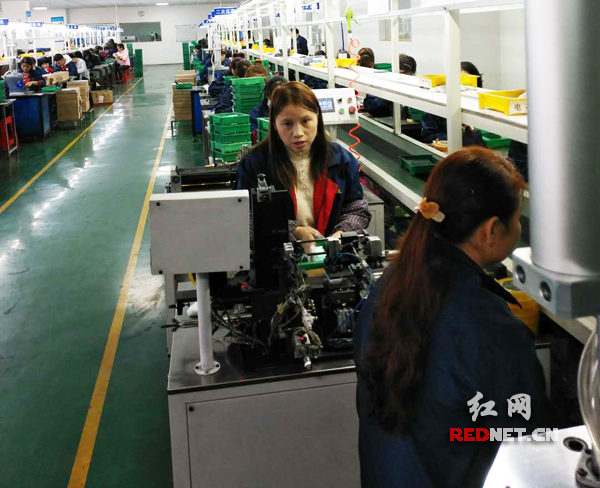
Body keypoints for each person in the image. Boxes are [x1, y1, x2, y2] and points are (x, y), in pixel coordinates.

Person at [354, 147, 553, 487]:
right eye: (518, 218)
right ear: (491, 230)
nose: (519, 227)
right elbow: (533, 444)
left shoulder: (392, 284)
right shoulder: (490, 329)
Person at [237, 81, 371, 241]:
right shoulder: (255, 164)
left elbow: (356, 208)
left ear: (318, 118)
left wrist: (342, 234)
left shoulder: (341, 159)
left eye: (305, 121)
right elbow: (245, 217)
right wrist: (292, 232)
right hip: (277, 251)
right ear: (274, 125)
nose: (298, 133)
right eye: (287, 124)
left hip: (333, 252)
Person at [421, 61, 484, 145]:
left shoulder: (481, 104)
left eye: (468, 82)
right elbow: (428, 136)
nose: (463, 87)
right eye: (459, 81)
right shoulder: (437, 104)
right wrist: (459, 135)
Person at [362, 53, 416, 119]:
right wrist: (388, 96)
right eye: (405, 75)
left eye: (410, 76)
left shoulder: (412, 84)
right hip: (383, 117)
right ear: (399, 71)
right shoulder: (382, 80)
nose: (406, 80)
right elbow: (370, 105)